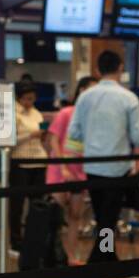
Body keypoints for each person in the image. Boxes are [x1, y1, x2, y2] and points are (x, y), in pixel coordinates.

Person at [67, 50, 139, 263]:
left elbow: (74, 131)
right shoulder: (128, 98)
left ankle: (107, 255)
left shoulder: (85, 97)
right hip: (117, 166)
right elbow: (137, 134)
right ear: (120, 68)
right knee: (108, 217)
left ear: (97, 70)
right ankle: (100, 260)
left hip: (92, 165)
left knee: (103, 215)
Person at [48, 76, 96, 262]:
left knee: (75, 216)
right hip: (60, 172)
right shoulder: (66, 113)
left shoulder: (93, 118)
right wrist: (63, 168)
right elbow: (53, 140)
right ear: (81, 90)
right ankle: (53, 255)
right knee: (56, 217)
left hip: (80, 172)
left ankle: (70, 256)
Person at [9, 80, 49, 253]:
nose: (29, 102)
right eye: (26, 99)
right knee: (17, 205)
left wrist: (42, 135)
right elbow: (9, 141)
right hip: (20, 161)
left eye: (32, 99)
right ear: (18, 98)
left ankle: (35, 239)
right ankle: (16, 241)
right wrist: (29, 135)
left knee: (37, 204)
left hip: (39, 160)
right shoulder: (12, 114)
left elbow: (41, 137)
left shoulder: (37, 113)